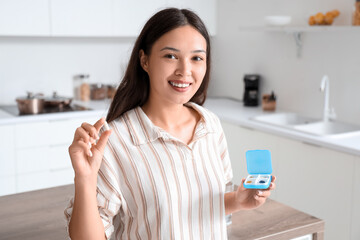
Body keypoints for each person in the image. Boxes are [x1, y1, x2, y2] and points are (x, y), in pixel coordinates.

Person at [65, 8, 276, 240]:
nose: (185, 71)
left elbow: (200, 206)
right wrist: (84, 178)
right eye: (171, 56)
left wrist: (237, 201)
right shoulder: (113, 141)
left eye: (197, 58)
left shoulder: (210, 124)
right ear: (144, 60)